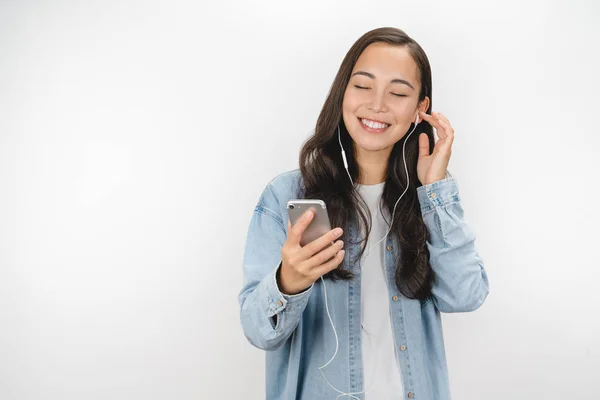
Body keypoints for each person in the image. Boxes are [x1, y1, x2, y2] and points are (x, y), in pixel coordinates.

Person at [238, 26, 490, 400]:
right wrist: (289, 279)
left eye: (399, 92)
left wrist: (436, 191)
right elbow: (258, 331)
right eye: (363, 85)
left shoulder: (425, 201)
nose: (377, 104)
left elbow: (466, 296)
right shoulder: (286, 196)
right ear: (343, 92)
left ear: (421, 108)